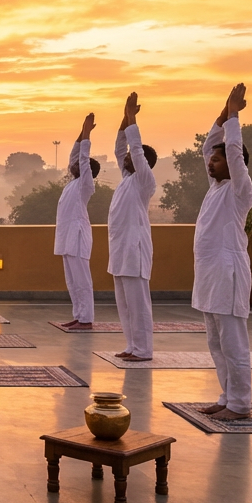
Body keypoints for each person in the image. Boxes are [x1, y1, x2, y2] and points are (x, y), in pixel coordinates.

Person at [192, 83, 252, 420]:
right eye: (212, 160)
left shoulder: (240, 191)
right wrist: (222, 111)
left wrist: (233, 116)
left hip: (228, 275)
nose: (211, 164)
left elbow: (232, 148)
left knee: (233, 344)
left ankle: (241, 404)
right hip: (209, 277)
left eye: (217, 160)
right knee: (216, 344)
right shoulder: (216, 189)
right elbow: (209, 147)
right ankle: (227, 396)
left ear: (234, 164)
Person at [109, 92, 158, 361]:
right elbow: (120, 149)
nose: (126, 157)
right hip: (120, 250)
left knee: (138, 305)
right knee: (125, 304)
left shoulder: (144, 182)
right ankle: (132, 346)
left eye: (131, 156)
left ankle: (144, 349)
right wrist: (123, 119)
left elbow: (136, 151)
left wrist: (133, 120)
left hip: (135, 250)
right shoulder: (127, 179)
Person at [55, 113, 99, 330]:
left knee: (82, 280)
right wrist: (81, 132)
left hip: (78, 237)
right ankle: (78, 315)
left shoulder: (85, 185)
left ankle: (86, 319)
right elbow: (76, 156)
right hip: (66, 238)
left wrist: (88, 134)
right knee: (72, 281)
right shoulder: (73, 183)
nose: (72, 165)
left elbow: (82, 158)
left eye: (79, 165)